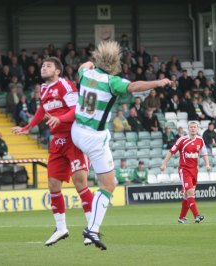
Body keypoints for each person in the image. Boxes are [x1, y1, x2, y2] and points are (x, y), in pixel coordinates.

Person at [70, 41, 172, 250]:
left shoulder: (85, 74)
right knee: (109, 185)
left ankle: (90, 226)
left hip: (76, 131)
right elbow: (134, 87)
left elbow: (82, 67)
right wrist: (158, 82)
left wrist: (91, 62)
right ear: (115, 63)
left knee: (95, 176)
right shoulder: (112, 81)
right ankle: (92, 229)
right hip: (93, 137)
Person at [11, 57, 94, 247]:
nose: (43, 68)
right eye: (42, 65)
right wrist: (27, 127)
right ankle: (61, 228)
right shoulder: (45, 88)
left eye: (48, 66)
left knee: (79, 181)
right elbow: (42, 109)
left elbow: (76, 109)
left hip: (73, 138)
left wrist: (61, 119)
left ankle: (92, 228)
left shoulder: (65, 85)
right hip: (57, 142)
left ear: (58, 71)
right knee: (53, 184)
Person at [160, 121, 210, 224]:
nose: (193, 129)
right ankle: (197, 215)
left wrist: (207, 164)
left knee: (187, 196)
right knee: (190, 192)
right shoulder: (182, 140)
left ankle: (181, 218)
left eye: (194, 127)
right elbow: (171, 151)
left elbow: (204, 153)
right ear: (188, 129)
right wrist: (164, 163)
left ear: (197, 129)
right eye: (191, 127)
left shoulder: (200, 140)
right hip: (184, 170)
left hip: (194, 171)